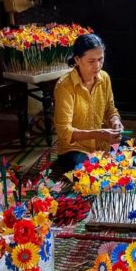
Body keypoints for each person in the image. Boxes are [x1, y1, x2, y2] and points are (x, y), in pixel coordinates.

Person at [53, 33, 123, 172]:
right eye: (91, 61)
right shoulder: (65, 86)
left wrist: (115, 121)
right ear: (77, 60)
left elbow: (110, 110)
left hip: (102, 144)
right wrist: (100, 133)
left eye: (100, 59)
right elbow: (64, 132)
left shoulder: (104, 78)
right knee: (94, 172)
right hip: (74, 149)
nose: (97, 66)